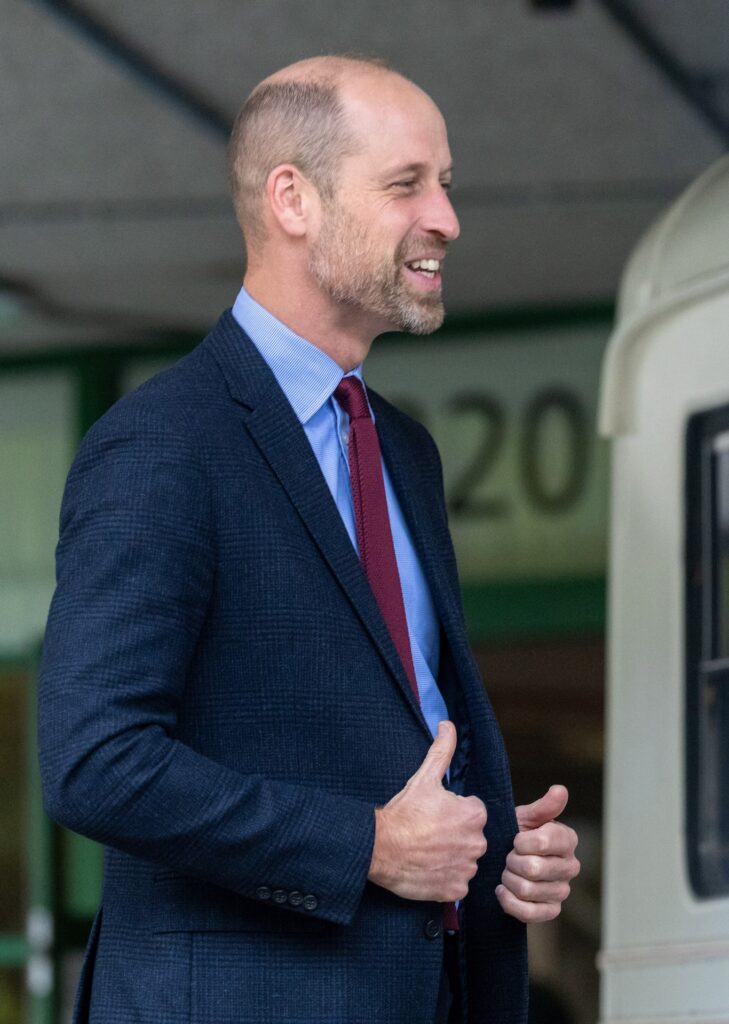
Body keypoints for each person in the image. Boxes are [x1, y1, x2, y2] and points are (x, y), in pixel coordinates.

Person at [39, 55, 580, 1024]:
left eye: (446, 186)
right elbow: (95, 759)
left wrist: (496, 847)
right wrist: (368, 844)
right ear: (293, 198)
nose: (447, 219)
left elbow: (392, 738)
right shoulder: (161, 442)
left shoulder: (403, 449)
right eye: (407, 183)